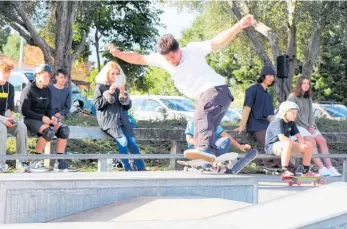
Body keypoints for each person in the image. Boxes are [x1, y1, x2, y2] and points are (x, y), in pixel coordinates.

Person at [107, 15, 257, 162]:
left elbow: (218, 41)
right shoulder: (161, 59)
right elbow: (138, 58)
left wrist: (238, 26)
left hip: (215, 90)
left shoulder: (193, 49)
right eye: (168, 59)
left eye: (173, 57)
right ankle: (213, 158)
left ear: (178, 49)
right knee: (202, 130)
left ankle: (206, 150)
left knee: (201, 114)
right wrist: (118, 53)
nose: (172, 62)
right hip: (213, 97)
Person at [93, 61, 145, 171]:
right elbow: (97, 105)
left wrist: (122, 94)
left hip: (122, 120)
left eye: (117, 74)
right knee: (123, 140)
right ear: (107, 74)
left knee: (132, 142)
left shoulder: (120, 87)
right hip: (109, 121)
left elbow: (127, 107)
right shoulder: (101, 87)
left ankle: (141, 168)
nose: (115, 76)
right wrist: (109, 93)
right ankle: (127, 167)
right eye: (112, 73)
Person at [20, 64, 71, 172]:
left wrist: (52, 116)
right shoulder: (28, 89)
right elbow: (24, 111)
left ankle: (59, 161)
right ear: (37, 76)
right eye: (45, 76)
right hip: (30, 119)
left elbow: (49, 108)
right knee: (49, 131)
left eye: (49, 76)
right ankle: (36, 161)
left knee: (64, 129)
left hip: (44, 119)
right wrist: (42, 117)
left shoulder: (47, 90)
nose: (48, 79)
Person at [287, 76, 341, 177]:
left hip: (308, 125)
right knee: (311, 141)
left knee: (322, 140)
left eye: (308, 83)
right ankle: (321, 168)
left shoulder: (308, 97)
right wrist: (308, 126)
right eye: (304, 83)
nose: (306, 85)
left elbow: (311, 114)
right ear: (299, 84)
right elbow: (295, 116)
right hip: (297, 126)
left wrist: (312, 125)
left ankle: (330, 167)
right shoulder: (292, 97)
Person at [265, 101, 318, 178]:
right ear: (285, 113)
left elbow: (299, 137)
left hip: (285, 147)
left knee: (308, 145)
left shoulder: (291, 122)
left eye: (296, 113)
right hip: (272, 147)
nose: (295, 115)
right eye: (293, 113)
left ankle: (305, 172)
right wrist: (298, 145)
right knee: (287, 143)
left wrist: (302, 145)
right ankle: (284, 171)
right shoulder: (277, 121)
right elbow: (282, 138)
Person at [235, 65, 276, 147]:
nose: (272, 78)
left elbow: (270, 116)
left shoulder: (268, 95)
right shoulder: (252, 90)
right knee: (273, 148)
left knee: (280, 146)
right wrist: (242, 126)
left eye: (273, 76)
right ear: (263, 76)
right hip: (256, 127)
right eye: (269, 76)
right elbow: (247, 109)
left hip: (267, 127)